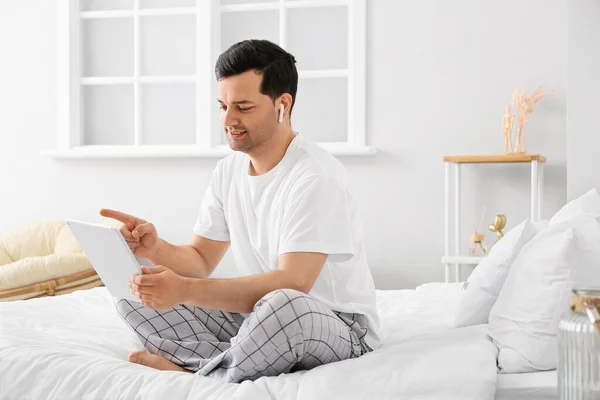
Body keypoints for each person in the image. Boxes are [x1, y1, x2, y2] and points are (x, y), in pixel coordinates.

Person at [101, 39, 380, 383]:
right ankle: (232, 360)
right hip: (257, 317)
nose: (228, 120)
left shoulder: (315, 177)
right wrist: (154, 249)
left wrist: (184, 289)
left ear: (282, 104)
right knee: (135, 289)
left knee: (285, 306)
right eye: (223, 106)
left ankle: (198, 375)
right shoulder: (228, 171)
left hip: (336, 326)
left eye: (243, 107)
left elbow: (294, 283)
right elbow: (200, 260)